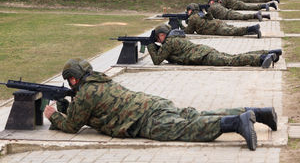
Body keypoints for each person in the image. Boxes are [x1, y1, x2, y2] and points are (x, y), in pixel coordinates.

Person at [44, 58, 278, 151]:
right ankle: (258, 112)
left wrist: (53, 114)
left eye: (70, 80)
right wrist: (66, 105)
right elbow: (83, 112)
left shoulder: (85, 94)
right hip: (154, 104)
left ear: (74, 78)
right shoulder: (101, 81)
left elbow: (73, 126)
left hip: (144, 122)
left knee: (188, 130)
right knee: (196, 115)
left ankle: (237, 122)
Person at [147, 24, 282, 68]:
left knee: (231, 61)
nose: (158, 40)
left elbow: (157, 61)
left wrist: (150, 44)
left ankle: (262, 58)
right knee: (233, 57)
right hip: (204, 52)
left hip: (203, 57)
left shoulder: (169, 42)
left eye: (158, 37)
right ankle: (269, 52)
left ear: (163, 34)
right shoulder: (174, 38)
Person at [182, 3, 262, 38]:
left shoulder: (193, 18)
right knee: (234, 29)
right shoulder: (201, 13)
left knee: (234, 31)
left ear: (191, 10)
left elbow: (189, 31)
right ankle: (254, 31)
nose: (187, 12)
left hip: (215, 28)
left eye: (188, 10)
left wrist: (181, 26)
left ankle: (253, 28)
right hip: (218, 23)